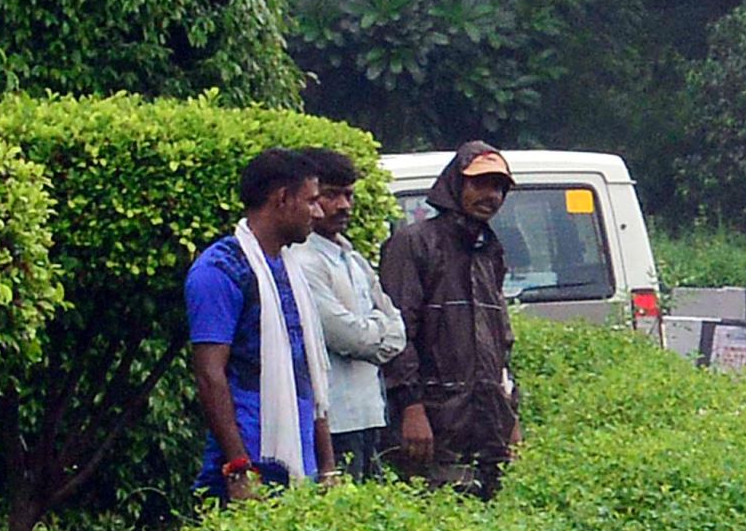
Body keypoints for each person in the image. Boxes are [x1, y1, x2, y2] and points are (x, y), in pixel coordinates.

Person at [187, 146, 331, 503]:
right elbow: (209, 374)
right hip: (246, 463)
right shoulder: (219, 271)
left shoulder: (290, 268)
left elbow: (308, 375)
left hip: (300, 461)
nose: (319, 211)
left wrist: (327, 467)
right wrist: (239, 468)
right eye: (311, 200)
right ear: (282, 199)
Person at [379, 142, 521, 495]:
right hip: (431, 425)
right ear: (456, 185)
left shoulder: (489, 249)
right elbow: (397, 334)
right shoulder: (415, 243)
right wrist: (411, 408)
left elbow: (498, 342)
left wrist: (510, 417)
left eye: (498, 187)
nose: (491, 195)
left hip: (486, 426)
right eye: (480, 184)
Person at [283, 148, 404, 481]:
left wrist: (376, 331)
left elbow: (398, 327)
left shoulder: (352, 256)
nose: (343, 206)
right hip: (333, 422)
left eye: (348, 195)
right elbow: (349, 337)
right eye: (331, 195)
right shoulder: (302, 261)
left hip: (371, 414)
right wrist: (379, 331)